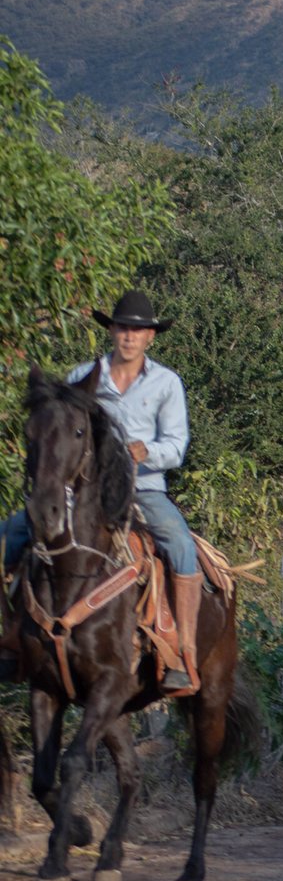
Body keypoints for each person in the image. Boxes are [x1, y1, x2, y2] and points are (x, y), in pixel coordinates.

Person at [1, 290, 200, 692]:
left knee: (180, 544)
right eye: (123, 327)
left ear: (150, 337)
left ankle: (180, 649)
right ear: (111, 331)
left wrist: (148, 451)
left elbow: (177, 446)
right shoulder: (81, 378)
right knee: (10, 534)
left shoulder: (166, 383)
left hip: (142, 487)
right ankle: (10, 638)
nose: (129, 336)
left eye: (138, 330)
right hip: (82, 491)